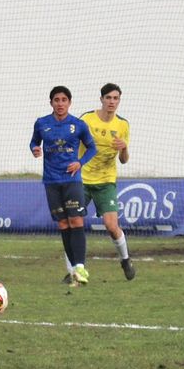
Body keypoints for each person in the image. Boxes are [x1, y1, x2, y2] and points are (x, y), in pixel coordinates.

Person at [63, 82, 136, 282]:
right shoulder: (86, 119)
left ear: (119, 101)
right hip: (81, 181)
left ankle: (125, 260)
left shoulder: (122, 125)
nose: (112, 102)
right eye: (108, 98)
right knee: (72, 224)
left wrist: (124, 148)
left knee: (111, 226)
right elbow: (71, 142)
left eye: (116, 98)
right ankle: (73, 272)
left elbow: (124, 160)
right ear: (101, 99)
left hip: (105, 181)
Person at [32, 85, 97, 286]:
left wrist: (80, 162)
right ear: (51, 102)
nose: (60, 104)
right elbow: (34, 142)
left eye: (64, 100)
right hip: (51, 181)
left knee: (76, 221)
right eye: (56, 100)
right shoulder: (42, 123)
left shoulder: (78, 125)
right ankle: (73, 269)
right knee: (63, 224)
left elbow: (92, 148)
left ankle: (80, 267)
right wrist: (35, 148)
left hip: (72, 180)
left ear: (69, 102)